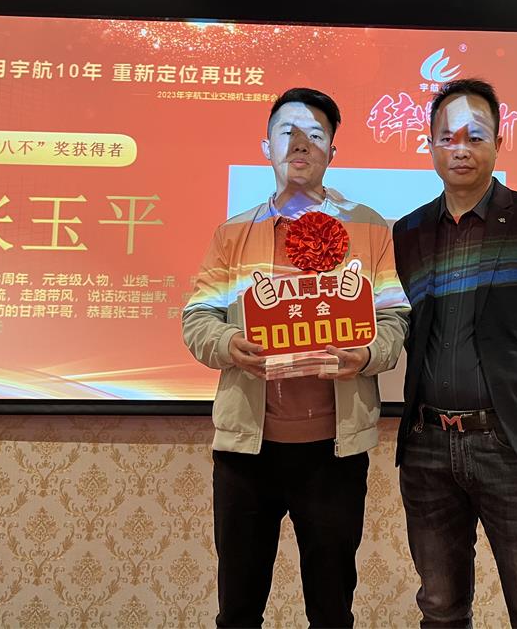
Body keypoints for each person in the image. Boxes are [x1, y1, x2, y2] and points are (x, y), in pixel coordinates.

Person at [183, 87, 409, 628]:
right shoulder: (233, 233)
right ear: (266, 147)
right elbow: (197, 318)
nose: (300, 143)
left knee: (331, 610)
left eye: (315, 134)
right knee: (238, 610)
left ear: (332, 150)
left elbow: (396, 319)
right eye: (287, 131)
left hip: (334, 452)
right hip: (247, 450)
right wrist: (229, 346)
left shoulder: (370, 227)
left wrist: (366, 354)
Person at [392, 78, 517, 628]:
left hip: (512, 445)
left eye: (475, 136)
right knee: (440, 608)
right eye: (447, 137)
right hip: (429, 449)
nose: (461, 148)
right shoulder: (407, 233)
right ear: (429, 144)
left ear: (499, 143)